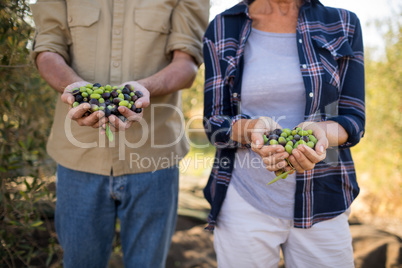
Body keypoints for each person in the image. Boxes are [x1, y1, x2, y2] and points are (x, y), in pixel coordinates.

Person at [30, 0, 209, 267]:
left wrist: (144, 88)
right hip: (78, 157)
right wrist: (75, 90)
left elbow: (187, 64)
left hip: (154, 156)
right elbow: (47, 49)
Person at [203, 0, 365, 267]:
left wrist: (319, 134)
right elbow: (214, 122)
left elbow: (353, 119)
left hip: (323, 198)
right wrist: (253, 129)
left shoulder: (344, 23)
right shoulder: (223, 26)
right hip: (245, 201)